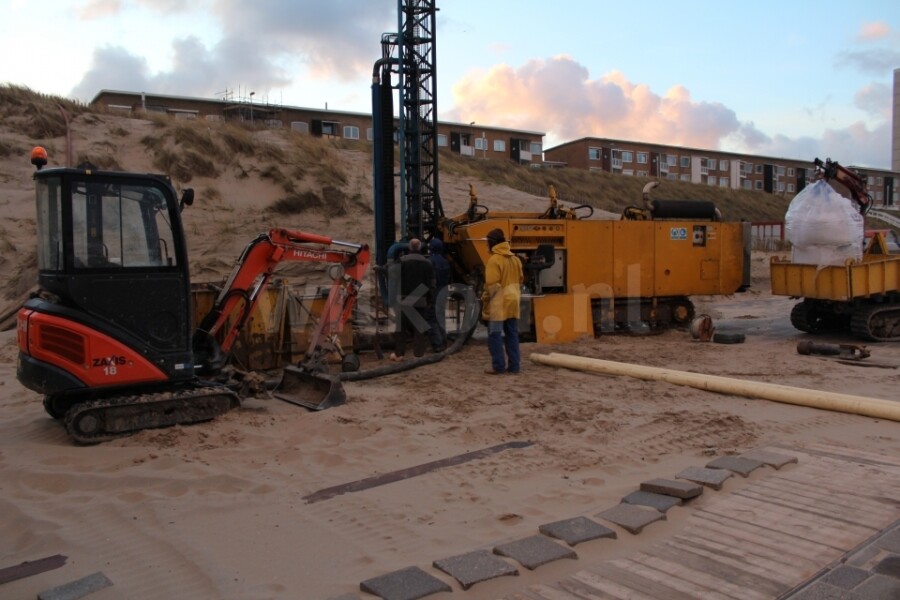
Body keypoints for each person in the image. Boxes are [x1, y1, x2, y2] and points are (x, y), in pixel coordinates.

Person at [481, 228, 523, 374]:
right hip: (513, 301)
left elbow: (492, 285)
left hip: (498, 303)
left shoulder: (494, 260)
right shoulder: (515, 259)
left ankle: (498, 366)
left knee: (495, 335)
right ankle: (514, 366)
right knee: (512, 335)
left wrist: (485, 300)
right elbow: (521, 279)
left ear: (492, 242)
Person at [391, 238, 436, 361]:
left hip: (403, 300)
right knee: (419, 329)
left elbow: (394, 280)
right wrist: (429, 300)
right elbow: (432, 284)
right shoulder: (427, 263)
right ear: (420, 247)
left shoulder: (401, 261)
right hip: (420, 300)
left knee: (401, 329)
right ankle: (418, 354)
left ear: (409, 248)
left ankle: (399, 354)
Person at [427, 237, 451, 352]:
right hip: (444, 291)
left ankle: (437, 344)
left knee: (432, 318)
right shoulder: (445, 262)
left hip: (434, 292)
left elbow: (429, 280)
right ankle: (444, 341)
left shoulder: (430, 261)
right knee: (441, 317)